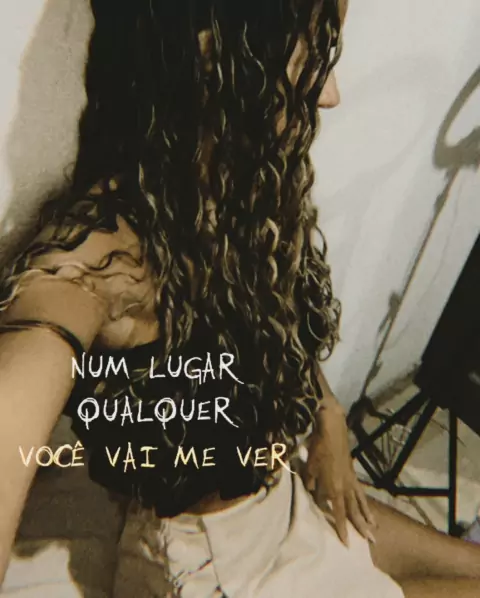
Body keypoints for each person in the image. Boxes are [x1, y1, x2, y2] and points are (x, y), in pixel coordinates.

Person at [0, 0, 479, 596]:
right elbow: (25, 371)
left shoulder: (239, 183)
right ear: (213, 55)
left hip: (278, 497)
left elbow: (266, 317)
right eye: (315, 56)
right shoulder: (101, 261)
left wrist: (328, 416)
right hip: (217, 564)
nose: (330, 95)